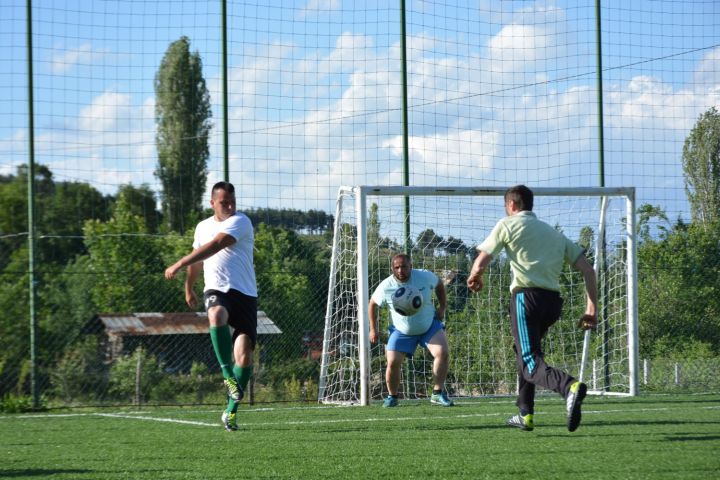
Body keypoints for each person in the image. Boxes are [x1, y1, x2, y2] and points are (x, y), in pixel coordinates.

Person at [466, 185, 597, 432]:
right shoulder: (554, 234)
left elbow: (482, 259)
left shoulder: (507, 224)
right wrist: (591, 309)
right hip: (552, 303)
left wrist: (475, 275)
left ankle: (568, 386)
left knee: (529, 362)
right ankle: (525, 413)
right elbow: (588, 270)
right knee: (525, 352)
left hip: (526, 300)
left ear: (512, 205)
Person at [165, 181, 258, 432]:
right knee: (216, 313)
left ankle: (231, 412)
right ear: (212, 203)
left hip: (246, 295)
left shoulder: (241, 221)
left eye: (232, 202)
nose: (229, 206)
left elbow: (216, 245)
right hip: (217, 290)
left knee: (245, 356)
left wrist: (179, 262)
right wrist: (189, 287)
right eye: (223, 202)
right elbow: (198, 261)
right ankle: (227, 373)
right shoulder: (202, 226)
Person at [369, 253, 454, 407]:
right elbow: (372, 304)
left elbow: (439, 285)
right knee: (393, 362)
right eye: (396, 267)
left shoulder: (424, 276)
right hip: (402, 331)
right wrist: (373, 329)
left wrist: (442, 308)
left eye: (404, 266)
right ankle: (392, 397)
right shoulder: (386, 285)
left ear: (411, 266)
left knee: (443, 353)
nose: (400, 270)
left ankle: (437, 393)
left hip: (429, 326)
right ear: (392, 268)